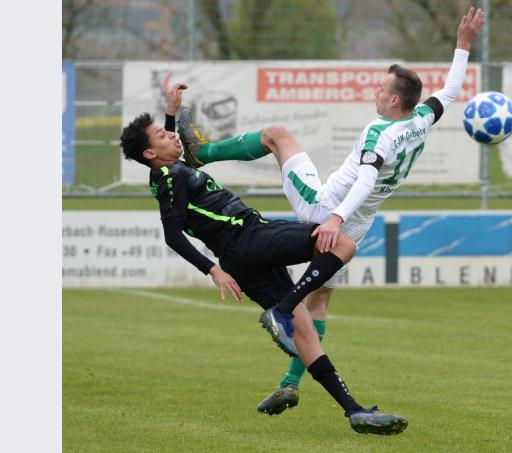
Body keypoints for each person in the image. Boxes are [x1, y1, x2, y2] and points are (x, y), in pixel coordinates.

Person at [175, 6, 485, 417]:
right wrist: (462, 46)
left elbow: (366, 178)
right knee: (318, 304)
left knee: (276, 135)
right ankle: (289, 383)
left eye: (380, 88)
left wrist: (333, 217)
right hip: (359, 223)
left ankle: (201, 154)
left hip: (324, 205)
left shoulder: (381, 132)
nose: (375, 92)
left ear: (394, 99)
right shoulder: (420, 120)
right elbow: (448, 93)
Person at [118, 84, 407, 435]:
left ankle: (355, 412)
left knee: (304, 333)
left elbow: (170, 160)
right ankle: (282, 309)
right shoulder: (167, 176)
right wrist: (213, 270)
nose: (172, 136)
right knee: (341, 244)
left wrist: (172, 113)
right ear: (150, 153)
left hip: (241, 255)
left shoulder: (166, 170)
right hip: (248, 239)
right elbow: (172, 233)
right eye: (163, 135)